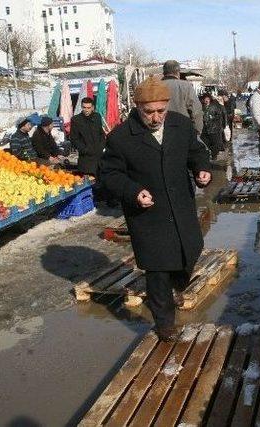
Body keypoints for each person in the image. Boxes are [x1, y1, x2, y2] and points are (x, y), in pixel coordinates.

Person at [98, 77, 211, 341]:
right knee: (157, 270)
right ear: (137, 108)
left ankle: (177, 285)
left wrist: (201, 169)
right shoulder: (121, 137)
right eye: (149, 112)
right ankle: (165, 325)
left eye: (161, 111)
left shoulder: (180, 125)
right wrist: (133, 191)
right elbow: (109, 174)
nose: (155, 117)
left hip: (180, 205)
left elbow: (197, 152)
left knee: (191, 249)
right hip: (147, 213)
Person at [161, 59, 204, 135]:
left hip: (161, 132)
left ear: (164, 72)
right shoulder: (186, 86)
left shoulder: (155, 87)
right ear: (178, 73)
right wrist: (197, 131)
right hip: (182, 131)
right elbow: (196, 110)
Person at [70, 97, 106, 176]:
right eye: (84, 107)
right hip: (85, 159)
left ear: (92, 107)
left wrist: (102, 146)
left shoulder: (97, 117)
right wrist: (85, 150)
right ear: (81, 107)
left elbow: (101, 133)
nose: (86, 110)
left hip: (99, 157)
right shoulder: (76, 120)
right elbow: (74, 139)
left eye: (88, 108)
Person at [200, 93, 224, 160]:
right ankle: (206, 156)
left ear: (210, 99)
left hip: (213, 128)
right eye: (205, 99)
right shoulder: (201, 107)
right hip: (204, 129)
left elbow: (219, 115)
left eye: (207, 99)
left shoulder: (214, 107)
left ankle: (214, 156)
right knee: (205, 143)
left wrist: (213, 118)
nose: (206, 100)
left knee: (214, 143)